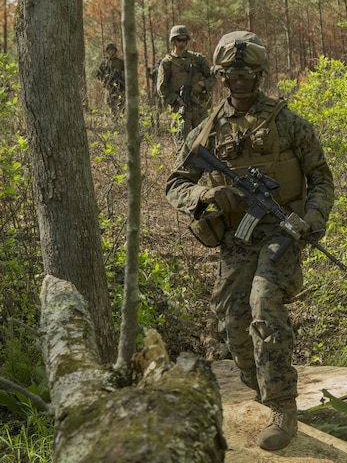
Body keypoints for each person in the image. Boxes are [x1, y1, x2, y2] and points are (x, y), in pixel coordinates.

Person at [165, 30, 334, 451]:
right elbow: (175, 184)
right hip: (238, 238)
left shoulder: (289, 122)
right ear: (221, 76)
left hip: (281, 231)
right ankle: (259, 387)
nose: (241, 82)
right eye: (232, 76)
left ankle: (282, 406)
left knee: (264, 302)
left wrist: (312, 218)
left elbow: (321, 178)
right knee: (232, 322)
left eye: (249, 75)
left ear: (260, 75)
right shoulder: (207, 130)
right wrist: (205, 194)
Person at [156, 25, 215, 146]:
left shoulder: (198, 59)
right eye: (179, 40)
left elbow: (212, 79)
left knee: (207, 143)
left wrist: (202, 84)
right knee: (183, 146)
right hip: (181, 109)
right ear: (173, 41)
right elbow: (162, 89)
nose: (182, 43)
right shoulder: (167, 63)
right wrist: (176, 99)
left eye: (184, 40)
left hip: (199, 106)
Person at [95, 42, 125, 116]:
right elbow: (98, 75)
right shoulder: (104, 62)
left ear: (115, 51)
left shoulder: (120, 62)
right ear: (107, 51)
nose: (111, 51)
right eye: (109, 50)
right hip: (109, 86)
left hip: (120, 85)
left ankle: (120, 114)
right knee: (110, 102)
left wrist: (122, 78)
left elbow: (127, 72)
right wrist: (105, 78)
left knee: (122, 101)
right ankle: (114, 117)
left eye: (112, 50)